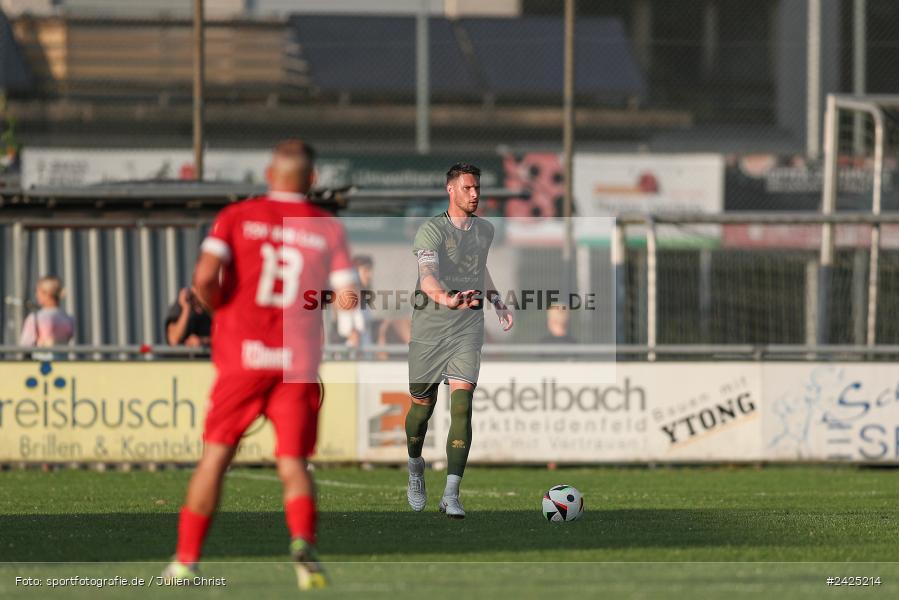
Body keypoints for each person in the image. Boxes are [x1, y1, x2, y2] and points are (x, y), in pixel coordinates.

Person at [163, 140, 356, 591]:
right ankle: (304, 551)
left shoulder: (236, 217)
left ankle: (186, 561)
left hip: (243, 359)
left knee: (215, 458)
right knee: (293, 463)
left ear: (269, 176)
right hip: (298, 361)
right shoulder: (327, 227)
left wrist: (220, 308)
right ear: (312, 180)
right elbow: (349, 297)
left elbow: (205, 280)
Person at [404, 163, 514, 519]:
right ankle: (415, 466)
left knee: (463, 405)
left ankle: (451, 493)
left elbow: (479, 268)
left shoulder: (485, 230)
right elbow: (427, 277)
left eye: (477, 188)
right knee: (421, 410)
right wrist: (448, 298)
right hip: (430, 330)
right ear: (450, 190)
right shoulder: (431, 230)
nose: (475, 194)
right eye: (468, 188)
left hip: (468, 326)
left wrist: (497, 301)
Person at [19, 275, 75, 359]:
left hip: (41, 367)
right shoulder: (69, 318)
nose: (36, 295)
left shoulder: (35, 318)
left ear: (47, 294)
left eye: (38, 292)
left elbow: (25, 345)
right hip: (63, 365)